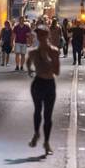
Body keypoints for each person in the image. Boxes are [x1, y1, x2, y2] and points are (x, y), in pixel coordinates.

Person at [26, 25, 60, 154]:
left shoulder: (54, 51)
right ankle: (36, 134)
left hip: (49, 84)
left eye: (43, 34)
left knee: (48, 115)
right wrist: (30, 70)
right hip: (38, 83)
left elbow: (57, 72)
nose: (41, 37)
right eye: (39, 35)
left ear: (48, 36)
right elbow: (28, 62)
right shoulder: (33, 52)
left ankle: (46, 142)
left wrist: (48, 61)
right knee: (37, 111)